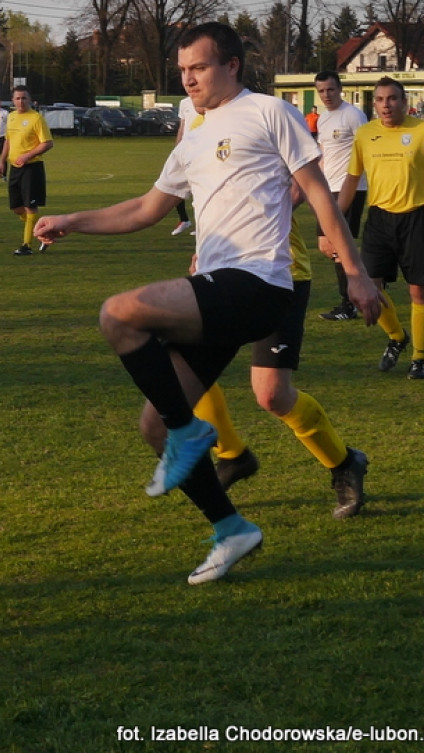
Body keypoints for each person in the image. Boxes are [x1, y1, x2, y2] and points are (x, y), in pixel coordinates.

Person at [34, 22, 380, 584]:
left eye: (198, 68)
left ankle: (203, 435)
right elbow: (147, 209)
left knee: (118, 313)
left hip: (263, 282)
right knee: (155, 427)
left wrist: (356, 273)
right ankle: (230, 528)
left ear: (232, 66)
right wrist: (72, 221)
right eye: (183, 71)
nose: (188, 80)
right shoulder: (192, 131)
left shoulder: (269, 112)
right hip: (222, 286)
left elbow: (318, 192)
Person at [194, 190, 369, 520]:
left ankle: (344, 463)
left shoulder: (280, 134)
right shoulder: (194, 135)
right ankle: (232, 455)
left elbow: (308, 185)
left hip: (279, 273)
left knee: (272, 395)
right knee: (187, 367)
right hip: (221, 268)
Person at [338, 76, 424, 378]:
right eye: (380, 99)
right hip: (379, 219)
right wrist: (333, 219)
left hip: (416, 217)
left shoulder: (420, 130)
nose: (386, 105)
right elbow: (352, 178)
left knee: (418, 291)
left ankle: (420, 358)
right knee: (369, 287)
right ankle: (398, 337)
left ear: (404, 102)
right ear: (374, 104)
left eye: (392, 98)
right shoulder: (364, 134)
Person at [314, 70, 367, 321]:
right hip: (327, 189)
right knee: (327, 245)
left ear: (340, 89)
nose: (326, 95)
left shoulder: (354, 116)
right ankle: (364, 286)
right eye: (321, 90)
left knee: (337, 244)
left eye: (330, 89)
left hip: (351, 188)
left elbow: (368, 151)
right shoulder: (323, 119)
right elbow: (324, 154)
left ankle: (349, 303)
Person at [0, 85, 53, 256]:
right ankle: (41, 231)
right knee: (16, 207)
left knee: (30, 207)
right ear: (13, 101)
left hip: (32, 168)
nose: (21, 101)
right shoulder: (11, 117)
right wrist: (2, 161)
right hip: (15, 168)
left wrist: (27, 156)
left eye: (24, 98)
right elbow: (8, 141)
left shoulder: (36, 119)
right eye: (17, 98)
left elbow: (48, 143)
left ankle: (26, 245)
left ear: (30, 100)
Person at [170, 96, 196, 236]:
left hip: (200, 152)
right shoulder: (184, 103)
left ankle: (202, 226)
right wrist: (176, 150)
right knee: (175, 187)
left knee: (199, 191)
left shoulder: (209, 101)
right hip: (184, 152)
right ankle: (184, 220)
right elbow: (182, 127)